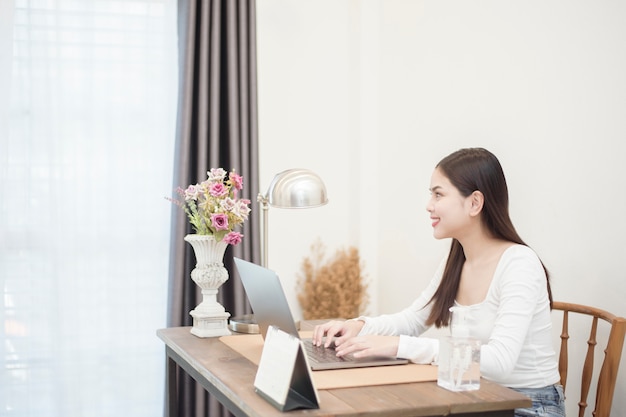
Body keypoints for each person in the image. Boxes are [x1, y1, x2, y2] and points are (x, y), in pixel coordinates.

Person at [312, 147, 565, 417]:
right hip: (476, 399)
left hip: (528, 405)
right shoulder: (456, 260)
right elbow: (412, 320)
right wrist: (359, 326)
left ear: (474, 203)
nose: (429, 205)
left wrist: (400, 347)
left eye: (438, 194)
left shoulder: (520, 263)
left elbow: (500, 362)